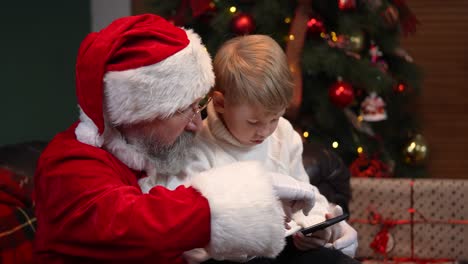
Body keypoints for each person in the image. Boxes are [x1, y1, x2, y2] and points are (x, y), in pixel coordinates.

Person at [33, 14, 318, 263]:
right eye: (185, 109)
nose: (197, 122)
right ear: (137, 112)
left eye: (199, 104)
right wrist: (249, 194)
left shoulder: (152, 152)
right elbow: (133, 224)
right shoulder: (68, 164)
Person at [139, 34, 359, 263]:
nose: (265, 131)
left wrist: (315, 227)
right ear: (221, 103)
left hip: (286, 247)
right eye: (253, 123)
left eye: (274, 118)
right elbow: (190, 241)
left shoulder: (284, 134)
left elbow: (306, 198)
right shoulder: (197, 149)